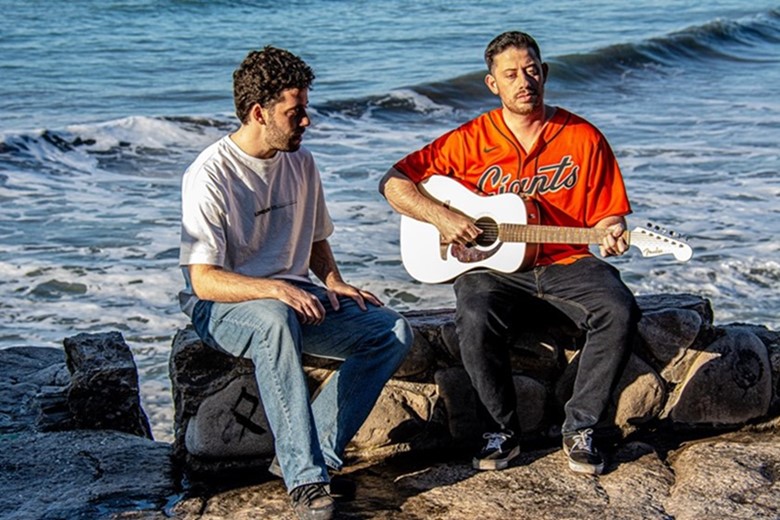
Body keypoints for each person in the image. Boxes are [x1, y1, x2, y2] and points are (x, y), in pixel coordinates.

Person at [379, 30, 640, 476]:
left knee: (619, 309)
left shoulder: (583, 138)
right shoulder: (468, 141)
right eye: (512, 74)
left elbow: (607, 218)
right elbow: (395, 182)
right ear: (492, 83)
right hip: (494, 272)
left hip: (567, 262)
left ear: (546, 73)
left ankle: (581, 426)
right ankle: (499, 429)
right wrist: (442, 218)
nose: (525, 81)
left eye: (533, 70)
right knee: (474, 315)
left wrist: (613, 232)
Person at [179, 46, 413, 520]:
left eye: (306, 109)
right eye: (296, 111)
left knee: (391, 332)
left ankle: (319, 456)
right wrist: (275, 289)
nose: (306, 121)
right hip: (224, 305)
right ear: (259, 112)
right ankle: (304, 481)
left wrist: (333, 280)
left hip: (291, 298)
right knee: (274, 319)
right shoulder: (210, 174)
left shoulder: (300, 162)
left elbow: (315, 238)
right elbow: (203, 281)